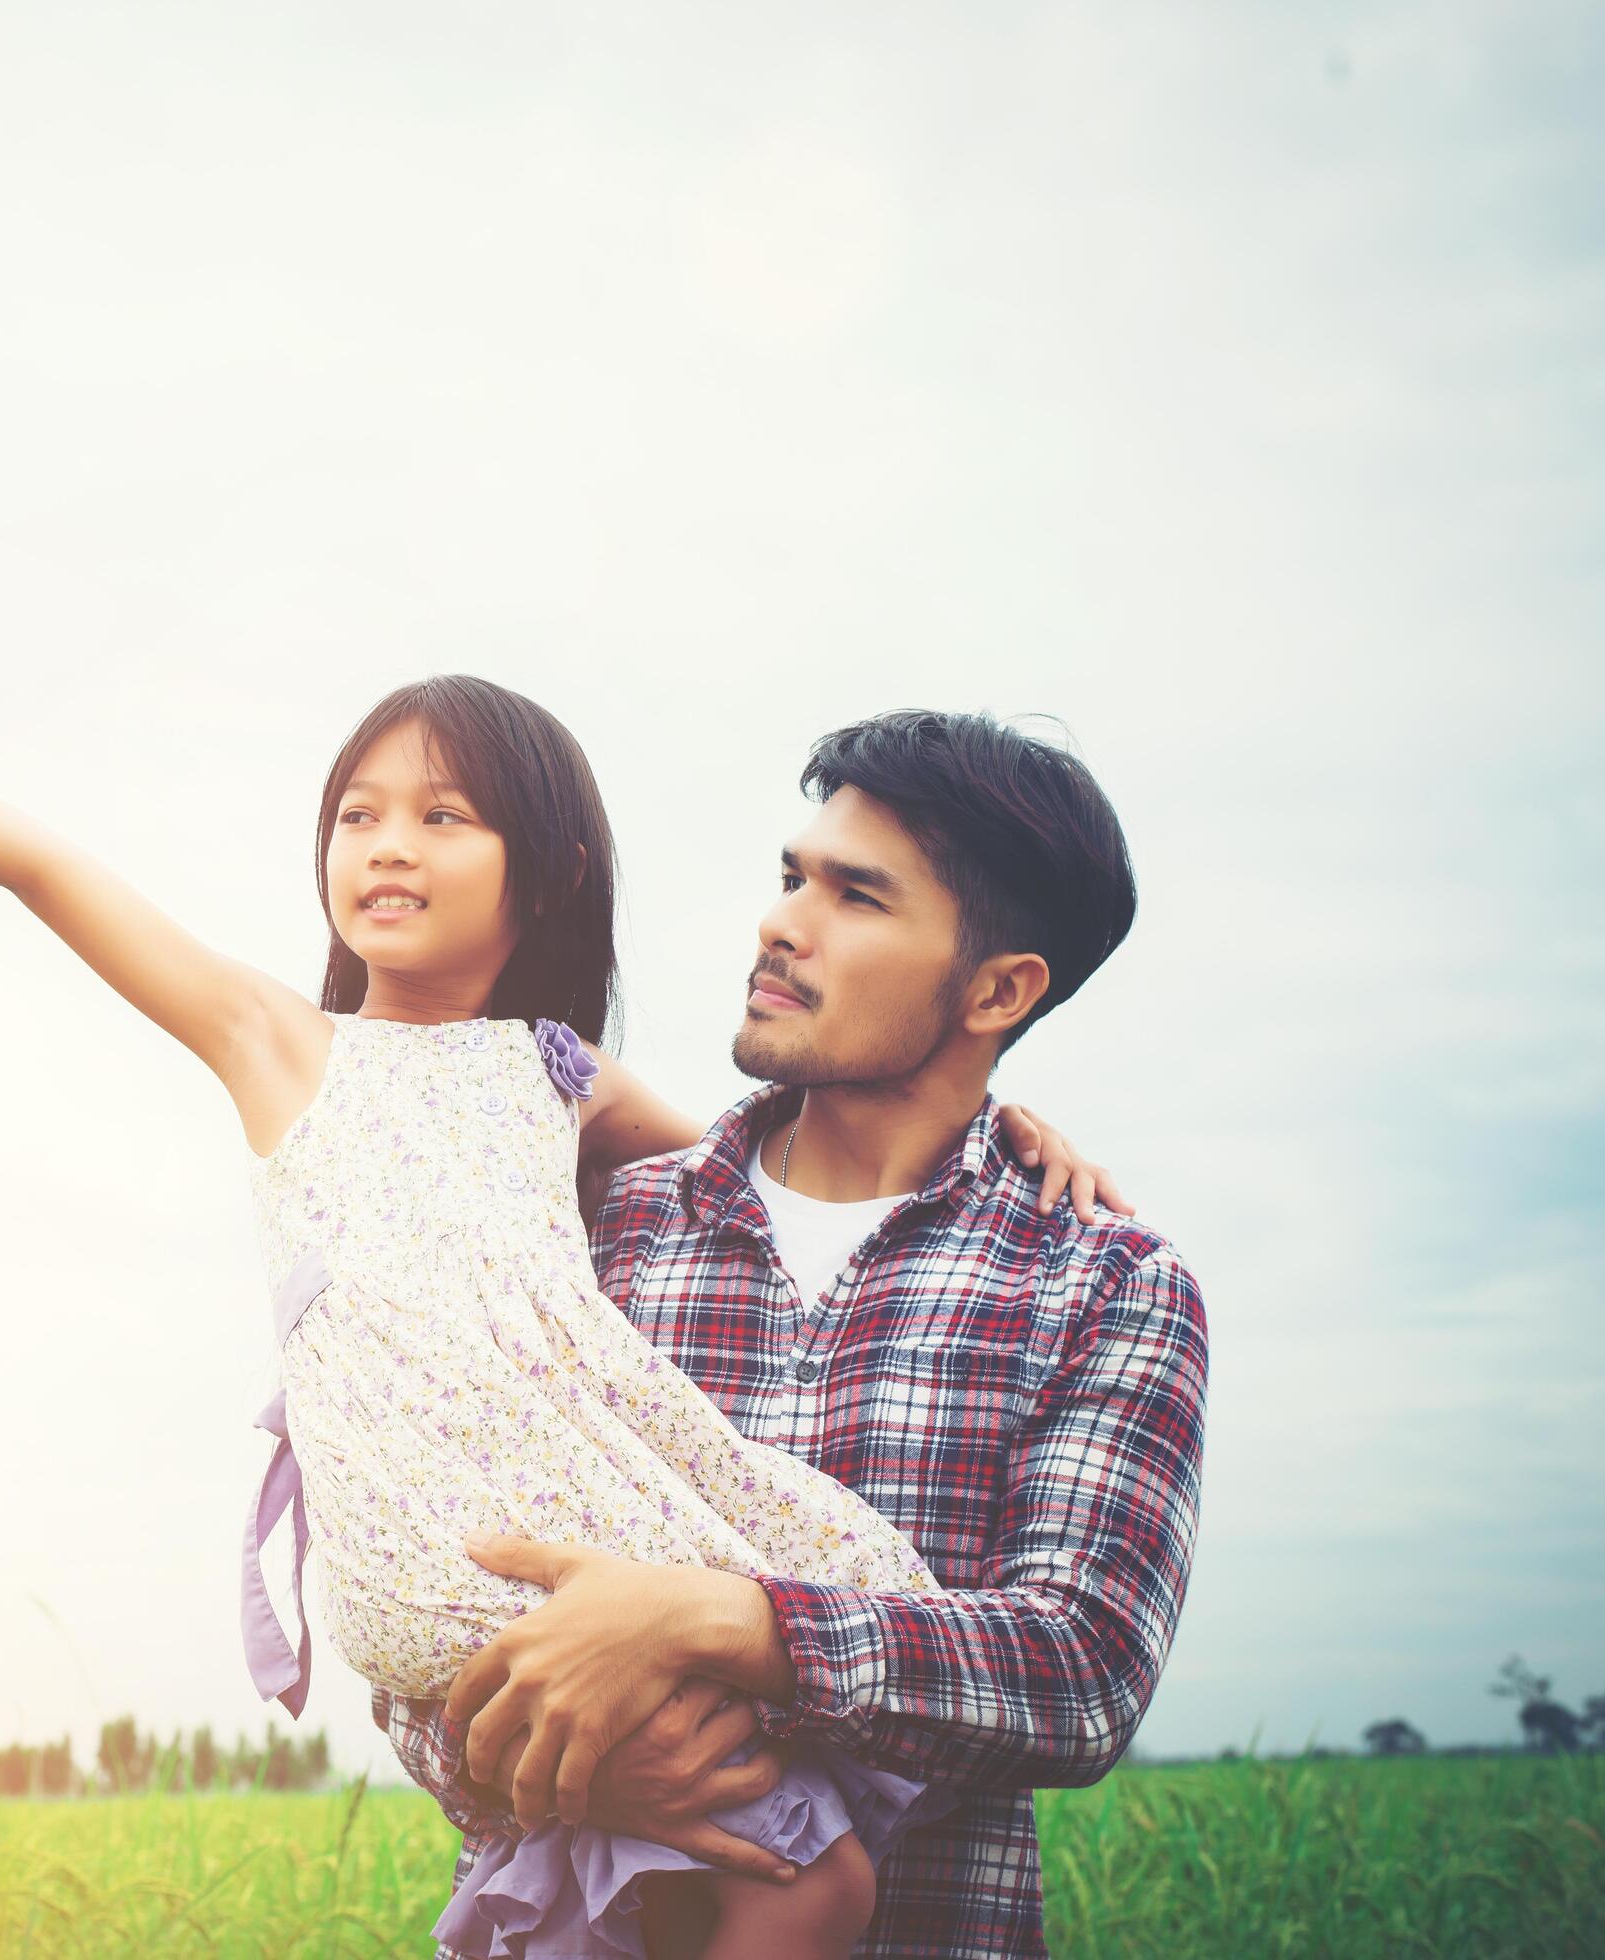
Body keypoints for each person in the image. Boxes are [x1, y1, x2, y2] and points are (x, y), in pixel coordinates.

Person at [0, 657, 1122, 1957]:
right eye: (358, 813)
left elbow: (786, 1149)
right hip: (462, 1587)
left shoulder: (555, 1078)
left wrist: (1013, 1122)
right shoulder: (280, 1047)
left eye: (445, 816)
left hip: (589, 1559)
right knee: (805, 1871)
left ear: (551, 870)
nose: (388, 843)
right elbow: (35, 863)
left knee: (804, 1881)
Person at [380, 709, 1208, 1960]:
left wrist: (715, 1620)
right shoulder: (599, 1232)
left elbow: (1080, 1674)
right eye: (791, 875)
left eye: (857, 896)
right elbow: (417, 1600)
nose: (782, 921)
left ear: (1000, 988)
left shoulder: (1102, 1284)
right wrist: (567, 1767)